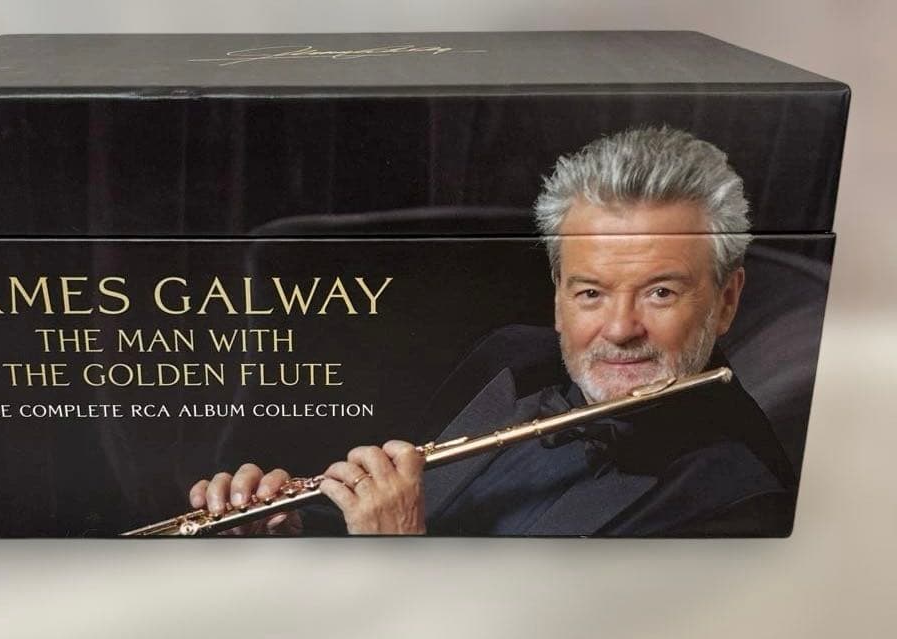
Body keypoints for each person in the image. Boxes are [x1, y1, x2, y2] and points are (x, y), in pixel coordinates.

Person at [188, 126, 796, 536]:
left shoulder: (741, 503)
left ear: (725, 301)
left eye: (660, 292)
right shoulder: (512, 359)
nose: (619, 329)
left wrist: (397, 557)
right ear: (558, 297)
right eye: (590, 292)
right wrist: (293, 530)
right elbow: (421, 512)